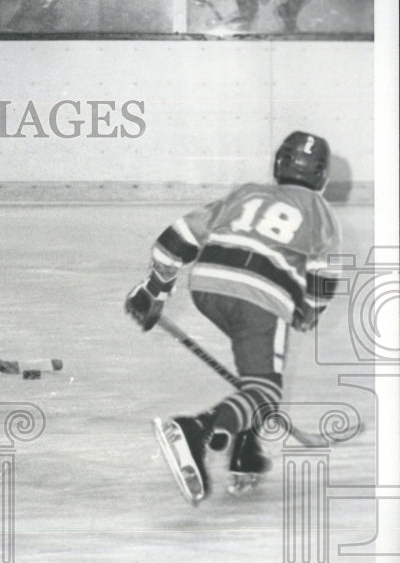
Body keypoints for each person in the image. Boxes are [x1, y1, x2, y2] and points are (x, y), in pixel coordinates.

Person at [125, 131, 340, 504]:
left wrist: (154, 290)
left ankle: (246, 448)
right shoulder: (320, 212)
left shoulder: (246, 193)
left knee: (255, 371)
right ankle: (198, 429)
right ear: (322, 176)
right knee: (266, 392)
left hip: (208, 287)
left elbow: (176, 238)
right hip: (260, 297)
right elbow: (323, 278)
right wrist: (308, 314)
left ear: (278, 163)